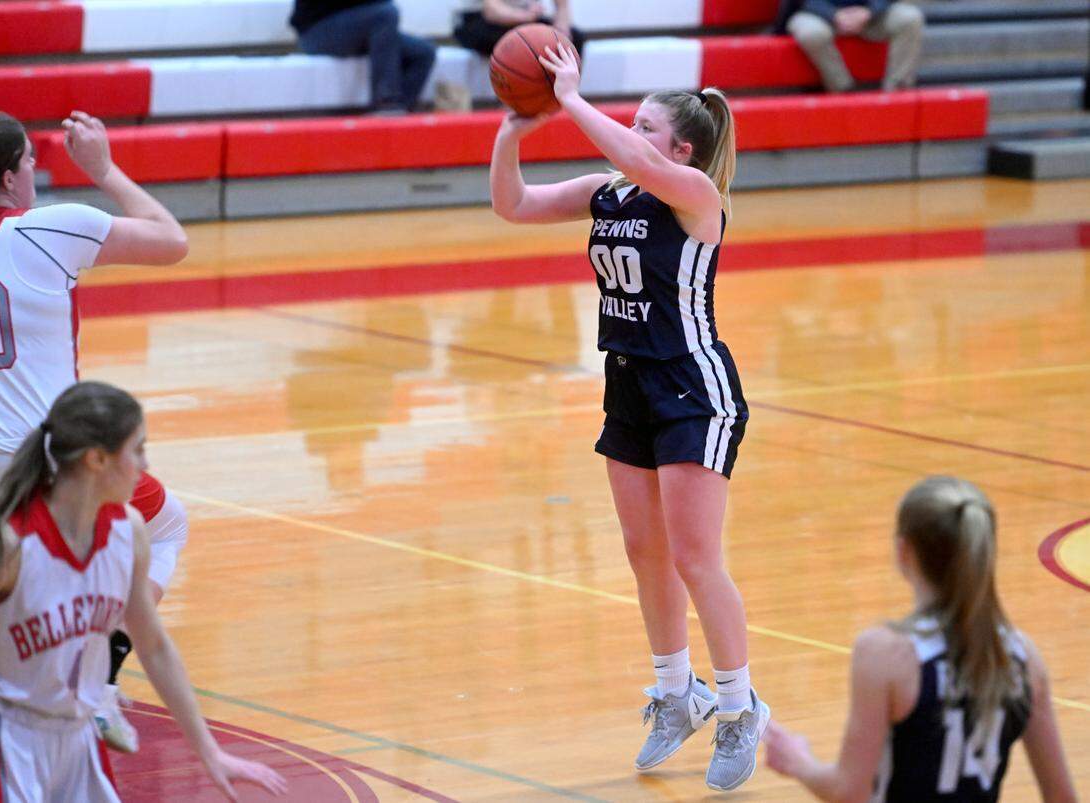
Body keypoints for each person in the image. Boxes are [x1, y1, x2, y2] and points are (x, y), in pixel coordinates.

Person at [489, 44, 767, 792]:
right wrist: (516, 128)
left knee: (695, 554)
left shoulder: (694, 196)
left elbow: (637, 163)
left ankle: (741, 707)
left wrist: (571, 100)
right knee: (645, 548)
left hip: (692, 386)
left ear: (681, 149)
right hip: (628, 382)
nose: (627, 133)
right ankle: (678, 693)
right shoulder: (609, 190)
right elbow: (511, 205)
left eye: (642, 126)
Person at [0, 109, 190, 754]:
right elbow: (171, 240)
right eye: (30, 161)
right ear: (8, 178)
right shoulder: (48, 228)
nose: (36, 170)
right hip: (34, 465)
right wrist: (105, 169)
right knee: (166, 525)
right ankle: (99, 680)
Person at [0, 381, 286, 801]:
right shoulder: (4, 547)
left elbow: (156, 648)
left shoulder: (130, 532)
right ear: (96, 459)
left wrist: (210, 751)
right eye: (138, 449)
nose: (144, 464)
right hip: (2, 743)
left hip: (78, 741)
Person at [765, 476, 1078, 803]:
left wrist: (798, 762)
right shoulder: (1022, 657)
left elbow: (850, 792)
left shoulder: (885, 653)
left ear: (903, 551)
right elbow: (1062, 797)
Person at [290, 0, 437, 113]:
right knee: (386, 13)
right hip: (317, 31)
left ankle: (399, 117)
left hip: (360, 26)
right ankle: (385, 103)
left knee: (423, 53)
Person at [774, 0, 924, 93]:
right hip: (817, 14)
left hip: (869, 15)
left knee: (910, 18)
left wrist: (870, 11)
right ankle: (842, 88)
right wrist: (833, 14)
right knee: (811, 33)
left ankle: (897, 91)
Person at [454, 0, 585, 58]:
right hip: (479, 21)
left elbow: (562, 6)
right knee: (517, 41)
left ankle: (557, 98)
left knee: (574, 39)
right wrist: (526, 16)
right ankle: (513, 99)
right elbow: (492, 11)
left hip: (524, 18)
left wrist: (562, 29)